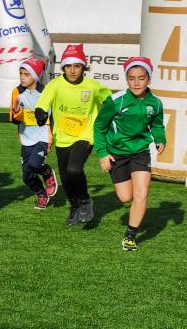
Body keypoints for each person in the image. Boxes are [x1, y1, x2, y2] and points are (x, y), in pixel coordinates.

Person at [33, 43, 111, 226]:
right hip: (62, 136)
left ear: (84, 66)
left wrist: (110, 114)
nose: (73, 70)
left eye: (77, 66)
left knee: (74, 169)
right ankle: (74, 207)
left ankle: (85, 201)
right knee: (66, 177)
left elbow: (108, 100)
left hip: (85, 134)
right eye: (68, 66)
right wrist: (40, 113)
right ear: (63, 68)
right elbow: (42, 103)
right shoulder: (55, 85)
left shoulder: (92, 86)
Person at [94, 57, 167, 252]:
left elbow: (157, 125)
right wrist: (102, 153)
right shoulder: (116, 101)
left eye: (141, 78)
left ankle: (130, 235)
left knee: (142, 194)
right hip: (117, 154)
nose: (136, 82)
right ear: (126, 79)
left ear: (148, 79)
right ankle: (133, 204)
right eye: (132, 78)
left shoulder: (156, 103)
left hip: (141, 152)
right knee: (126, 197)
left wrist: (160, 138)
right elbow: (99, 126)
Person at [9, 57, 58, 209]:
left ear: (35, 76)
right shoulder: (17, 92)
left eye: (26, 74)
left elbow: (53, 117)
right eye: (21, 74)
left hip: (43, 136)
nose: (22, 77)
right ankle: (41, 194)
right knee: (26, 176)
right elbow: (14, 119)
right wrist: (16, 112)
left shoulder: (46, 92)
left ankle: (47, 172)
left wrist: (51, 138)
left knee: (36, 164)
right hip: (26, 138)